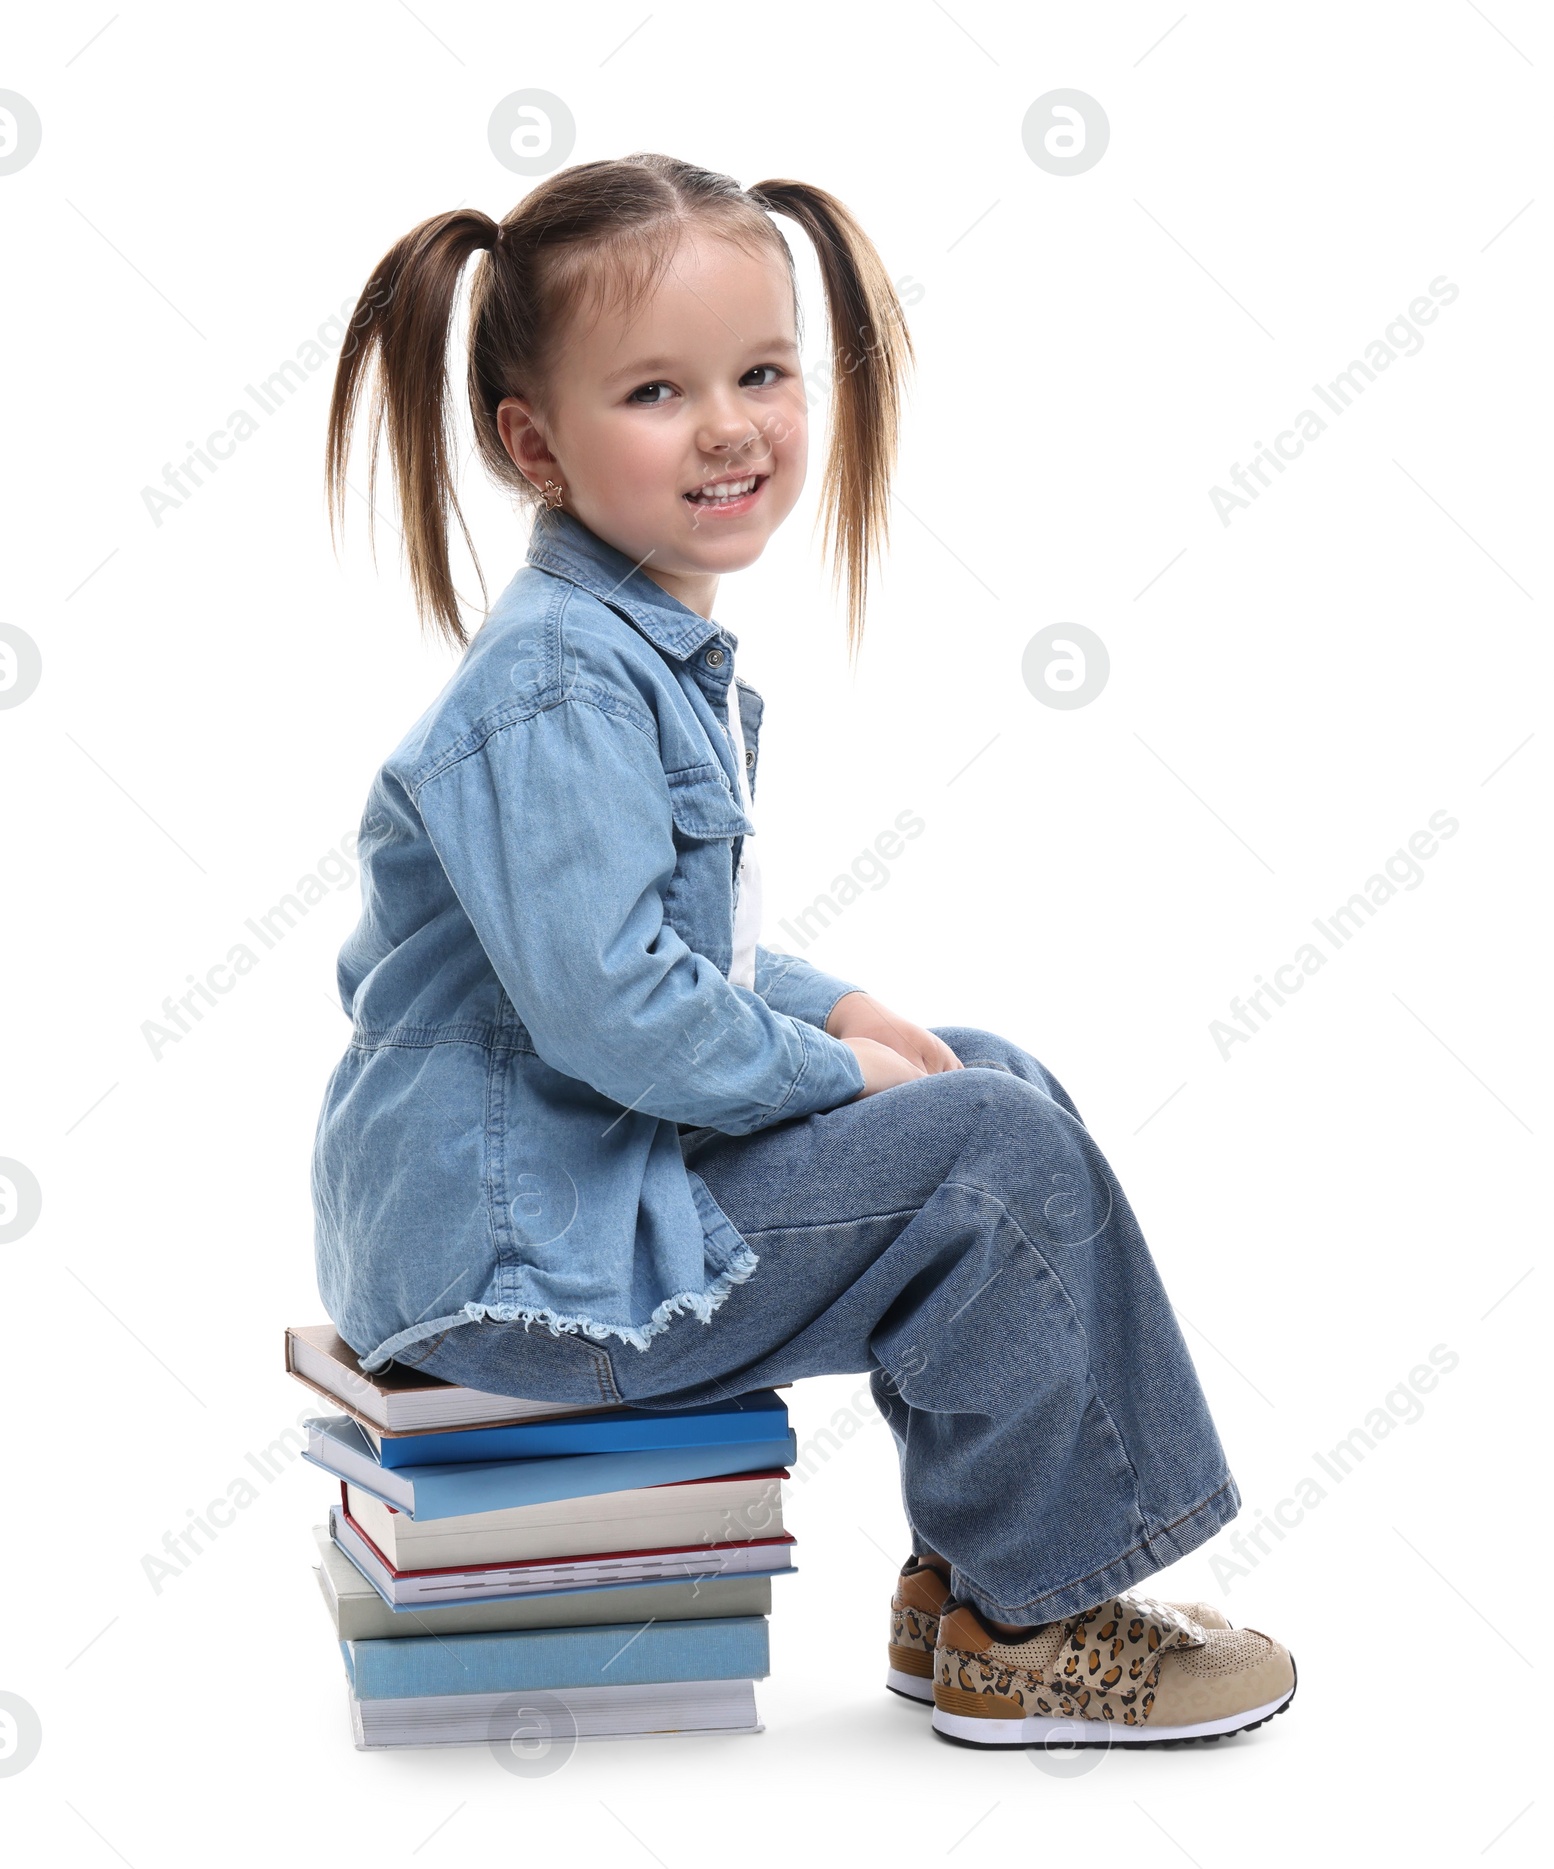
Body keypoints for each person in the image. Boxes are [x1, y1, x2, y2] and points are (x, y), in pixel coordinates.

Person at [314, 152, 1295, 1749]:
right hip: (521, 1263)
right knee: (986, 1158)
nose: (731, 424)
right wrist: (827, 1066)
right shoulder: (560, 683)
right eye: (656, 390)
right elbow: (616, 1012)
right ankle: (1035, 1629)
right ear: (534, 445)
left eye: (763, 371)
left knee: (991, 1075)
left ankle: (969, 1581)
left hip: (569, 1198)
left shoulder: (631, 650)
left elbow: (656, 945)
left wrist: (838, 1007)